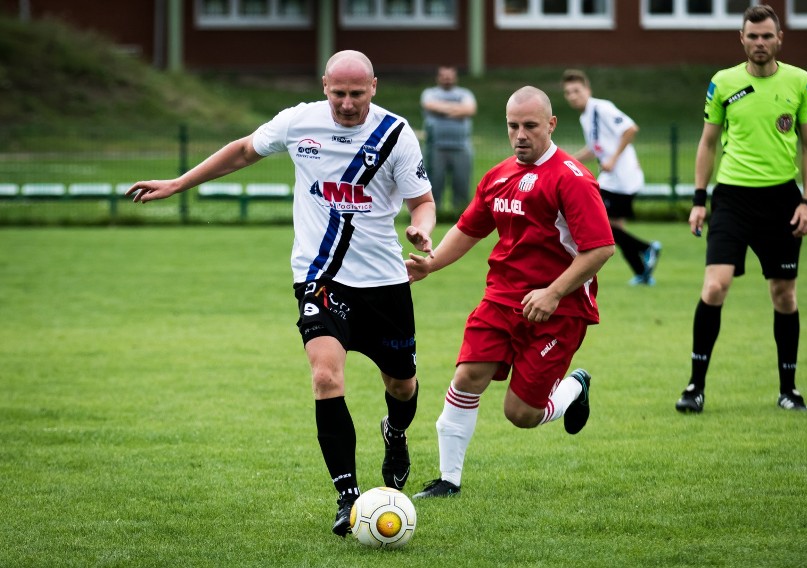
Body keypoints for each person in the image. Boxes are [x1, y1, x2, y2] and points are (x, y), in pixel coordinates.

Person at [126, 50, 436, 536]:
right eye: (338, 93)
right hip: (319, 277)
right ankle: (348, 497)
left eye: (357, 94)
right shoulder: (299, 121)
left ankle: (395, 433)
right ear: (324, 85)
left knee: (402, 385)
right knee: (325, 377)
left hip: (383, 282)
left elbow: (422, 202)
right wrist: (180, 182)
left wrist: (421, 229)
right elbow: (245, 149)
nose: (348, 104)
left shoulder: (395, 134)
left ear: (374, 87)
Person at [406, 86, 615, 498]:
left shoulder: (573, 179)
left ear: (551, 125)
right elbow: (468, 230)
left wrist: (553, 292)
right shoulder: (498, 176)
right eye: (513, 126)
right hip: (500, 300)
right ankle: (449, 481)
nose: (520, 134)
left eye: (530, 126)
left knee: (520, 413)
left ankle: (574, 388)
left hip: (560, 309)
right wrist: (431, 264)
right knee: (466, 377)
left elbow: (601, 247)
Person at [675, 4, 807, 413]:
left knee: (783, 295)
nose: (760, 43)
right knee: (715, 287)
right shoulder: (722, 83)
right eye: (752, 36)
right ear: (741, 38)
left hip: (782, 201)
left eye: (767, 36)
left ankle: (788, 390)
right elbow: (707, 142)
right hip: (732, 200)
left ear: (779, 38)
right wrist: (699, 200)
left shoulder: (800, 81)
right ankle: (694, 387)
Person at [562, 69, 662, 286]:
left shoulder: (601, 107)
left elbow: (630, 129)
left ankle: (647, 248)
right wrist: (568, 161)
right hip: (611, 179)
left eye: (576, 91)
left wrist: (614, 160)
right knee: (614, 228)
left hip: (622, 179)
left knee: (601, 223)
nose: (572, 96)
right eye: (568, 93)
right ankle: (643, 272)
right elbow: (595, 149)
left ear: (587, 90)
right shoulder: (585, 116)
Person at [420, 65, 477, 214]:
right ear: (438, 78)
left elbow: (470, 109)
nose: (447, 79)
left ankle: (459, 215)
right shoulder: (430, 93)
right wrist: (457, 109)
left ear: (455, 77)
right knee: (434, 184)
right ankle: (433, 214)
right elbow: (430, 105)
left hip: (461, 147)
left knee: (462, 183)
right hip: (436, 148)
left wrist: (442, 110)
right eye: (444, 76)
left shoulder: (465, 93)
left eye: (450, 76)